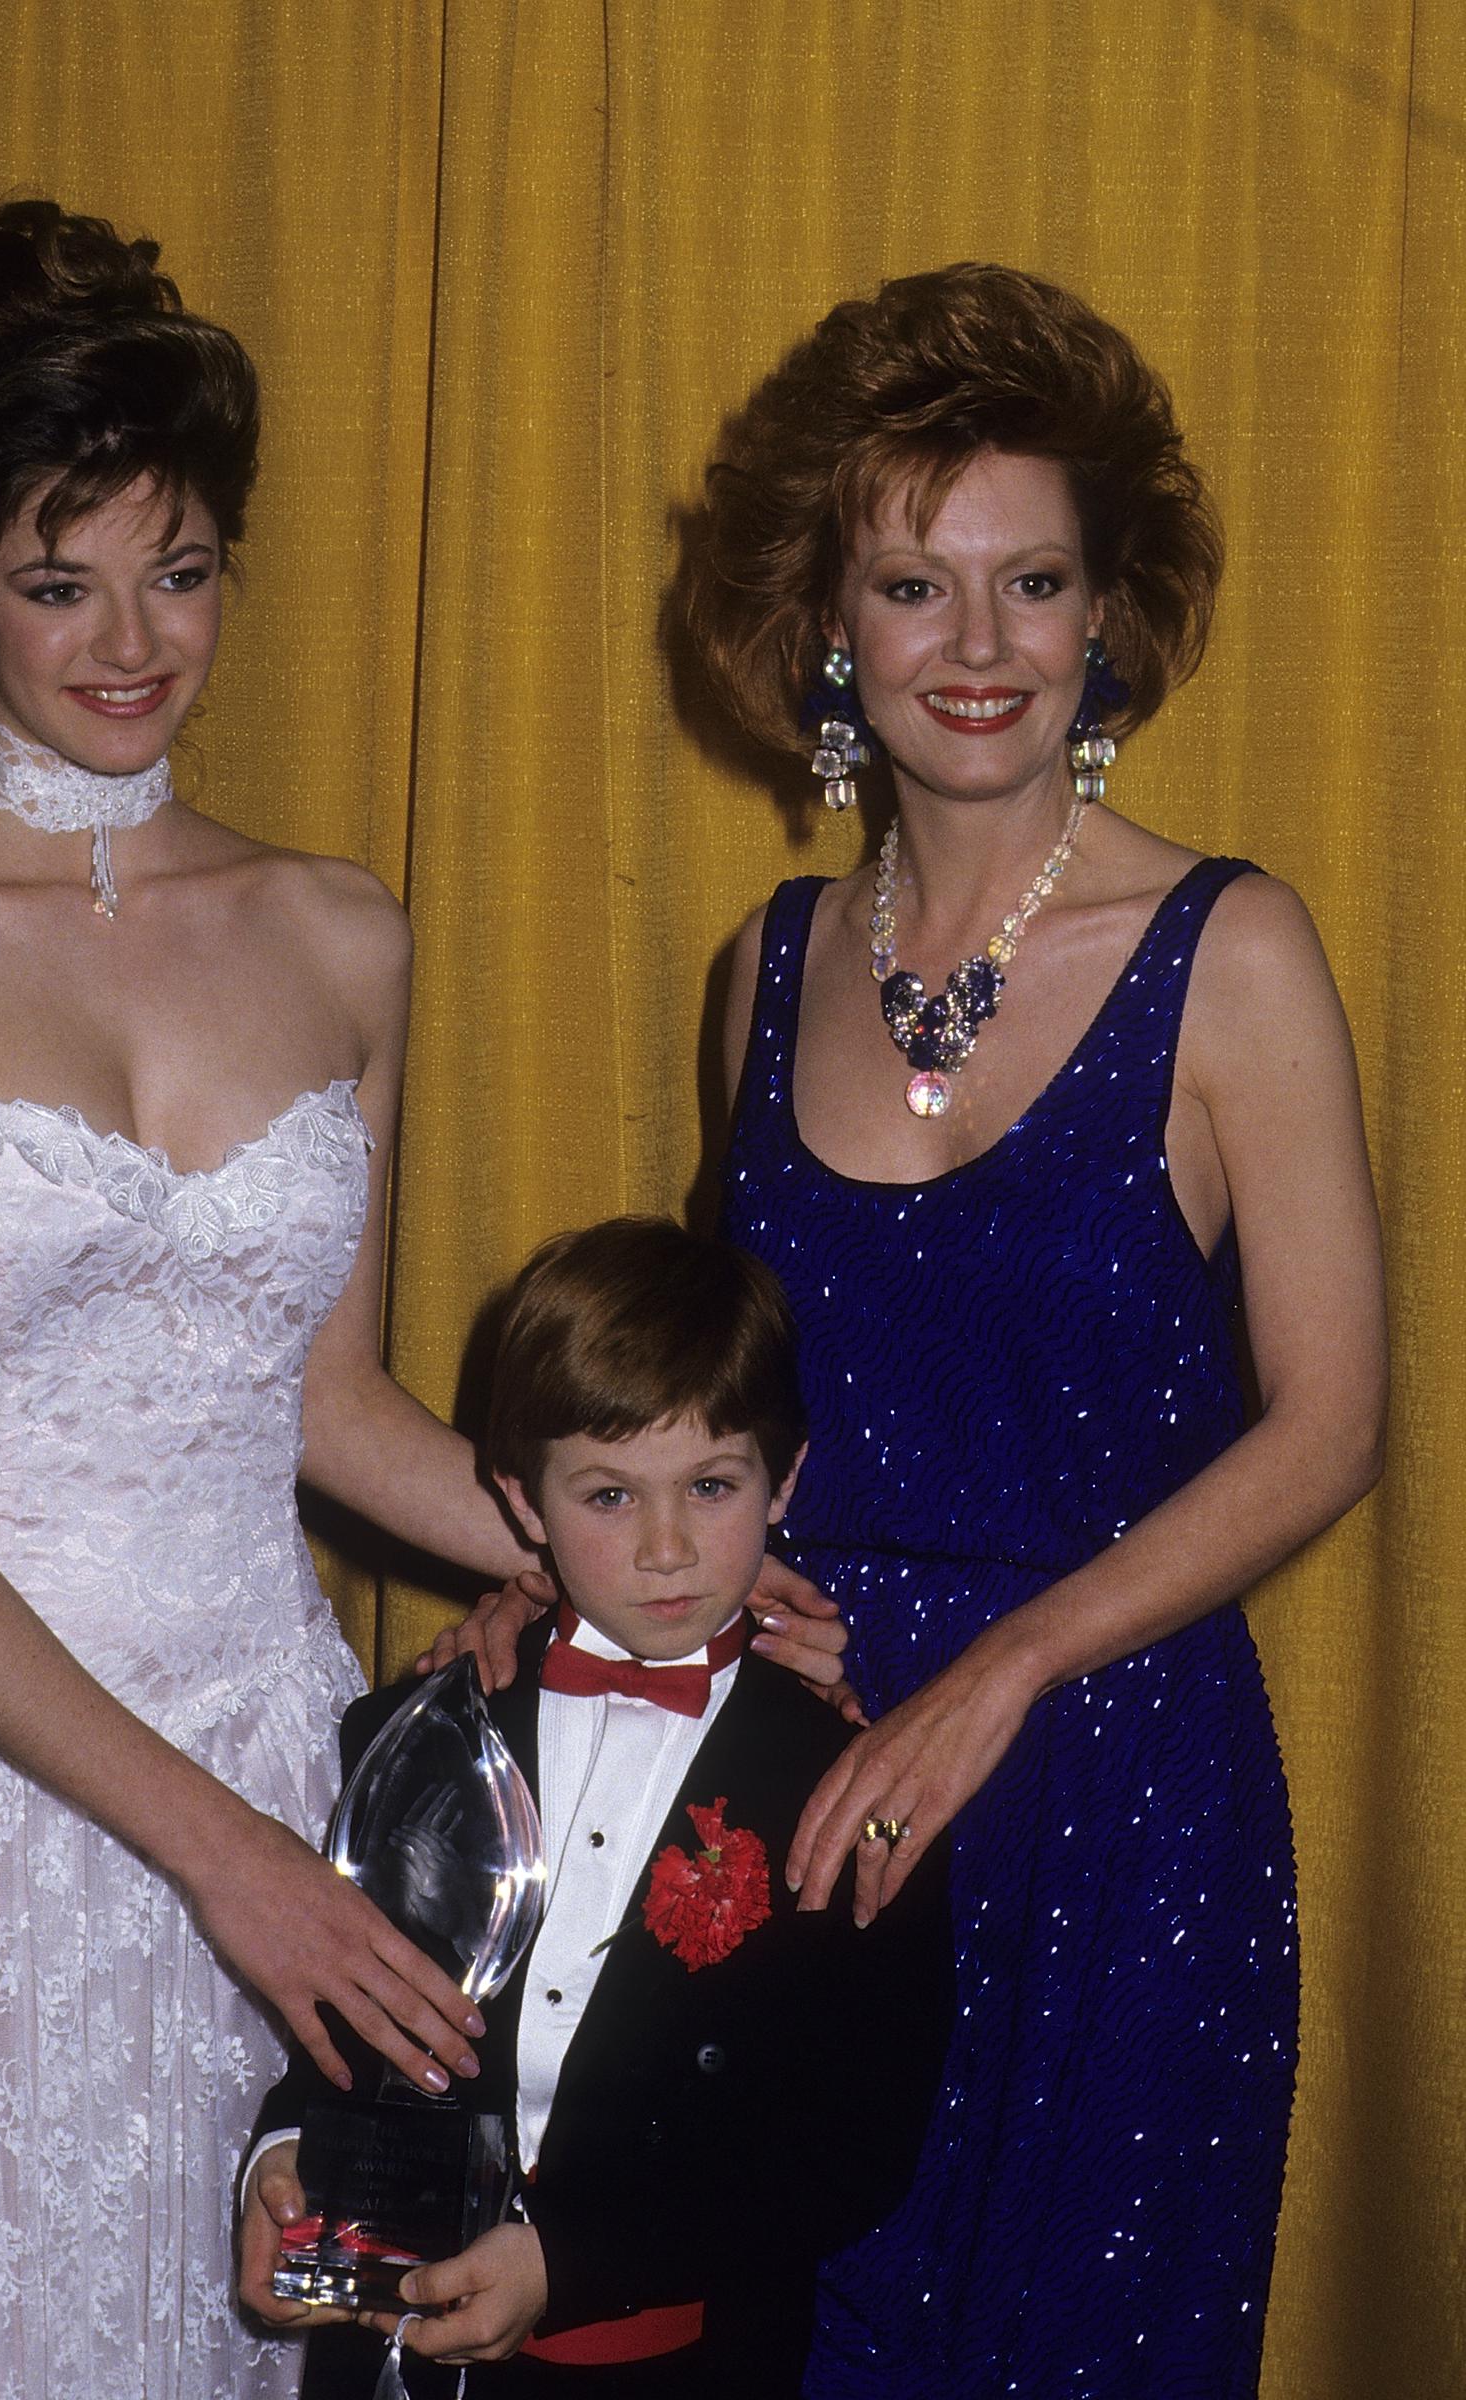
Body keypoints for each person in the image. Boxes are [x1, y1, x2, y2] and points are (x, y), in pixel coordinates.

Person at [0, 199, 544, 2400]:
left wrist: (683, 1573)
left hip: (268, 1729)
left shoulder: (337, 929)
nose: (127, 642)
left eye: (176, 571)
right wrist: (234, 1864)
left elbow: (326, 1405)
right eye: (53, 581)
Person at [684, 264, 1388, 2395]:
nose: (976, 648)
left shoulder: (1229, 949)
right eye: (914, 586)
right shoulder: (760, 960)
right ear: (828, 624)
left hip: (1116, 1804)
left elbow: (1332, 1422)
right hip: (803, 1807)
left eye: (1032, 582)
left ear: (1108, 614)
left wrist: (994, 1671)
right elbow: (715, 1407)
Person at [238, 1218, 953, 2399]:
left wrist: (570, 2262)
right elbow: (353, 2025)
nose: (667, 1549)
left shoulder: (854, 1789)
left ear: (786, 1480)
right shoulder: (413, 1739)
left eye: (712, 1486)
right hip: (392, 2368)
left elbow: (853, 2149)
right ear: (524, 1503)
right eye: (609, 1494)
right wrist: (286, 2155)